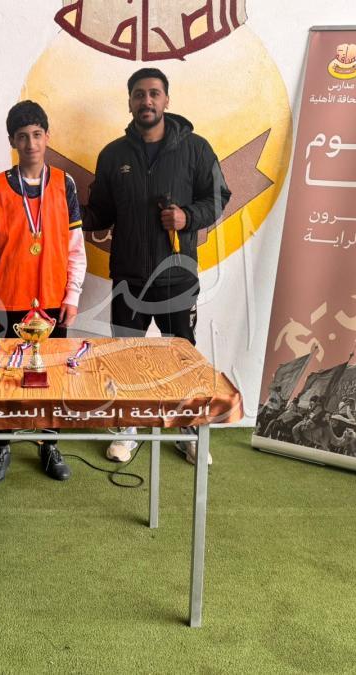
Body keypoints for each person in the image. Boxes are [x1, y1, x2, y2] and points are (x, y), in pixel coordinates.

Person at [81, 68, 231, 464]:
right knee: (125, 356)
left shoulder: (196, 148)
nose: (146, 101)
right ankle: (128, 428)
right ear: (129, 101)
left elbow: (219, 197)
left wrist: (187, 217)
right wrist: (65, 212)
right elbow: (101, 212)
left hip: (177, 276)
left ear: (166, 99)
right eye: (139, 94)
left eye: (154, 93)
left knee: (181, 358)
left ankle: (186, 431)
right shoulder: (113, 155)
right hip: (128, 277)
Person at [0, 100, 87, 484]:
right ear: (12, 141)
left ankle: (49, 444)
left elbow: (75, 248)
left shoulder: (64, 184)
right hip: (9, 300)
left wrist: (72, 296)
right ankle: (2, 445)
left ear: (47, 137)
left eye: (37, 135)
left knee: (52, 375)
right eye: (22, 137)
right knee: (6, 376)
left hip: (53, 300)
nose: (31, 144)